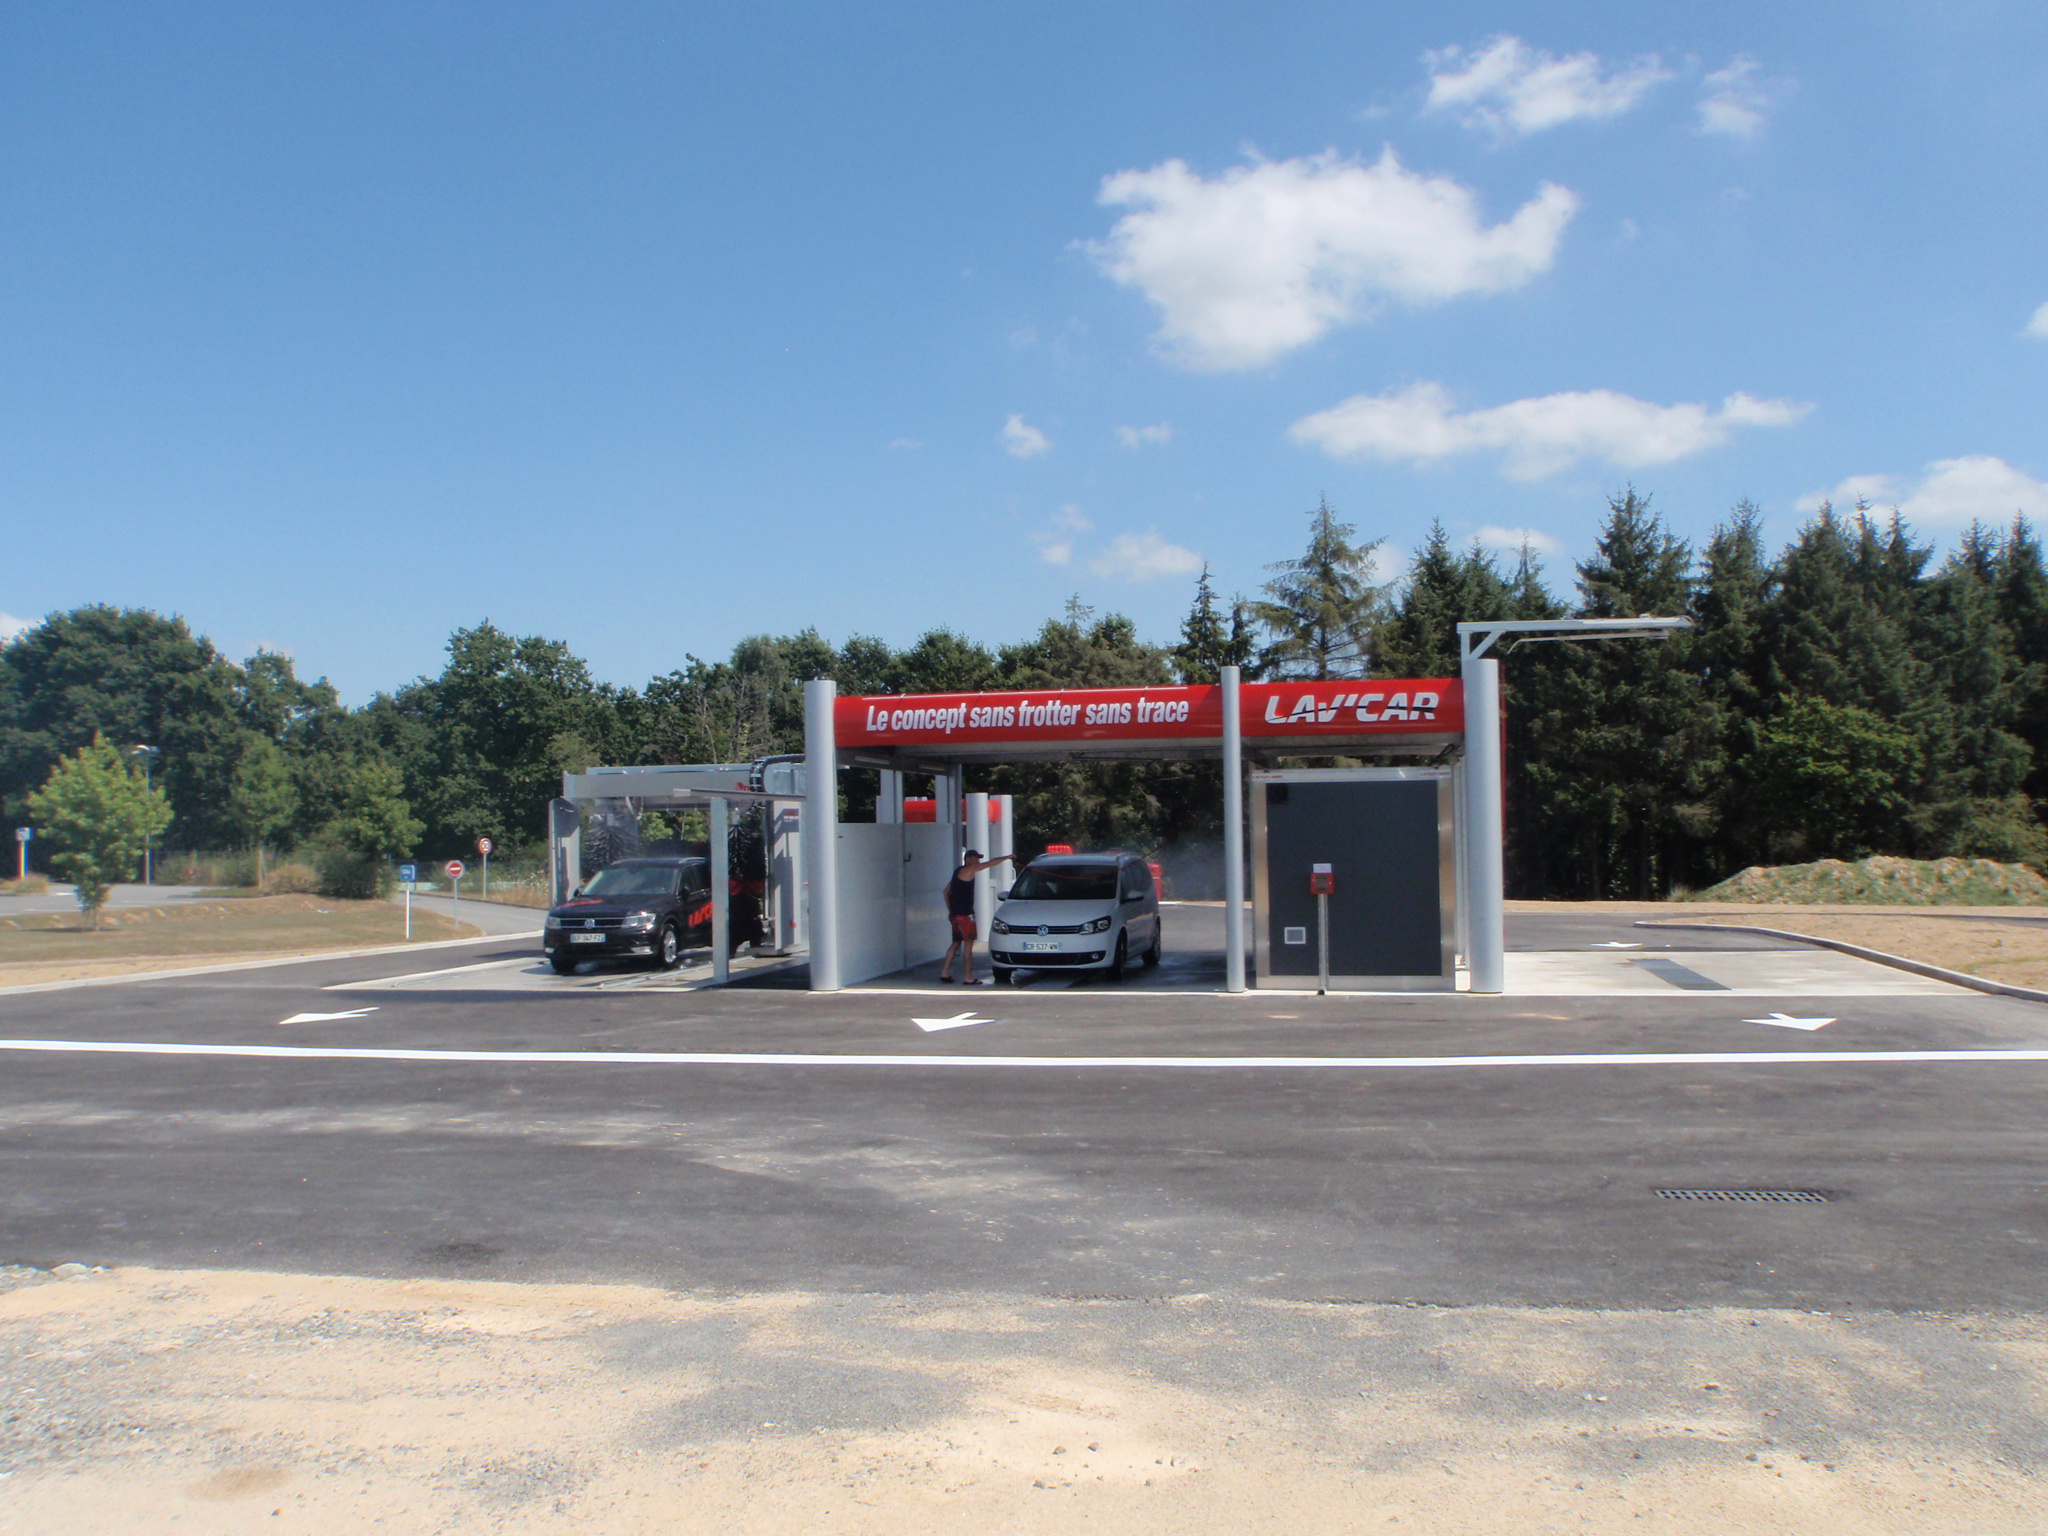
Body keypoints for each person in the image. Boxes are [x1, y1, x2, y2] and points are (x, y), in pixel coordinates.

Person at [939, 848, 1013, 985]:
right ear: (969, 860)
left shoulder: (958, 872)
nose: (978, 861)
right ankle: (968, 977)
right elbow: (990, 863)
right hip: (966, 915)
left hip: (956, 914)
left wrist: (951, 911)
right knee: (968, 944)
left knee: (956, 943)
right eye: (976, 858)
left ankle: (944, 972)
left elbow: (945, 892)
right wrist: (1008, 857)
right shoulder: (969, 869)